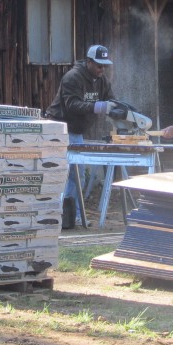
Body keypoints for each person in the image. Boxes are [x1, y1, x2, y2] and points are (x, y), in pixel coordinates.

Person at [46, 44, 124, 228]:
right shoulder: (72, 77)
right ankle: (67, 216)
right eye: (98, 65)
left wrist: (119, 109)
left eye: (104, 65)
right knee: (73, 173)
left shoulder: (102, 80)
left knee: (78, 174)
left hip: (76, 130)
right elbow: (72, 105)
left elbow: (111, 100)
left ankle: (70, 216)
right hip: (61, 126)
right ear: (88, 62)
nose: (101, 69)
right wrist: (97, 106)